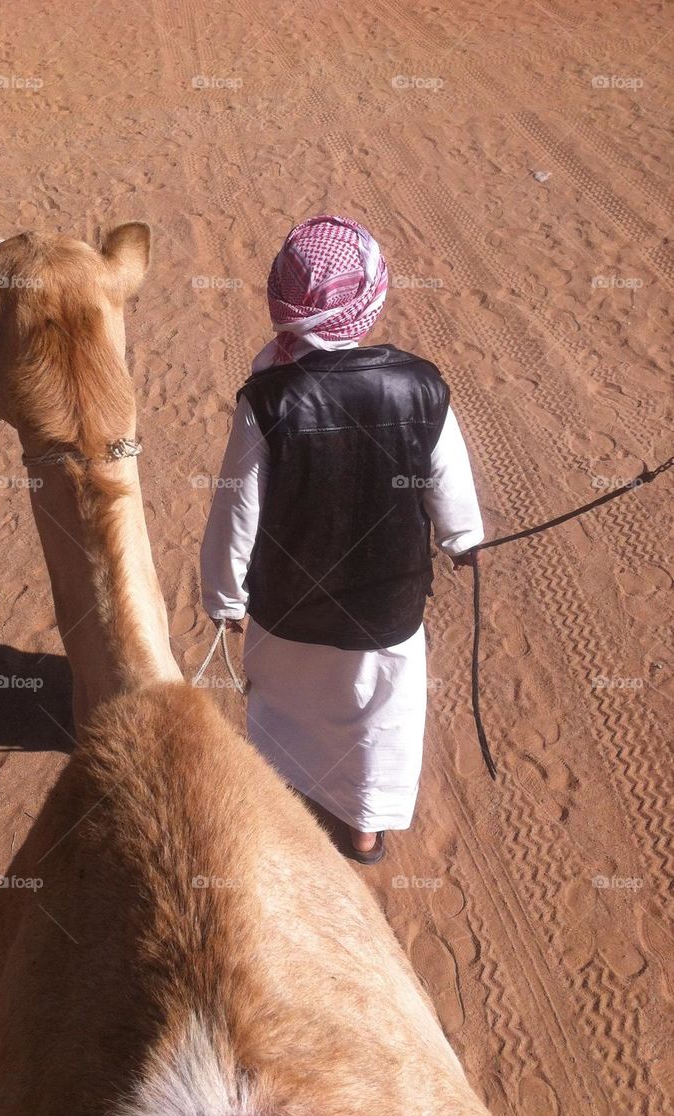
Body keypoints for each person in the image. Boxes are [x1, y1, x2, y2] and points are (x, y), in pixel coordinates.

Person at [200, 215, 484, 864]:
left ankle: (287, 798)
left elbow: (234, 511)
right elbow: (449, 480)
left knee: (285, 705)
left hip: (288, 606)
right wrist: (464, 537)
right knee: (380, 720)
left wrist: (224, 598)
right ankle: (362, 830)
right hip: (386, 612)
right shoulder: (421, 386)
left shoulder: (267, 399)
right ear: (370, 298)